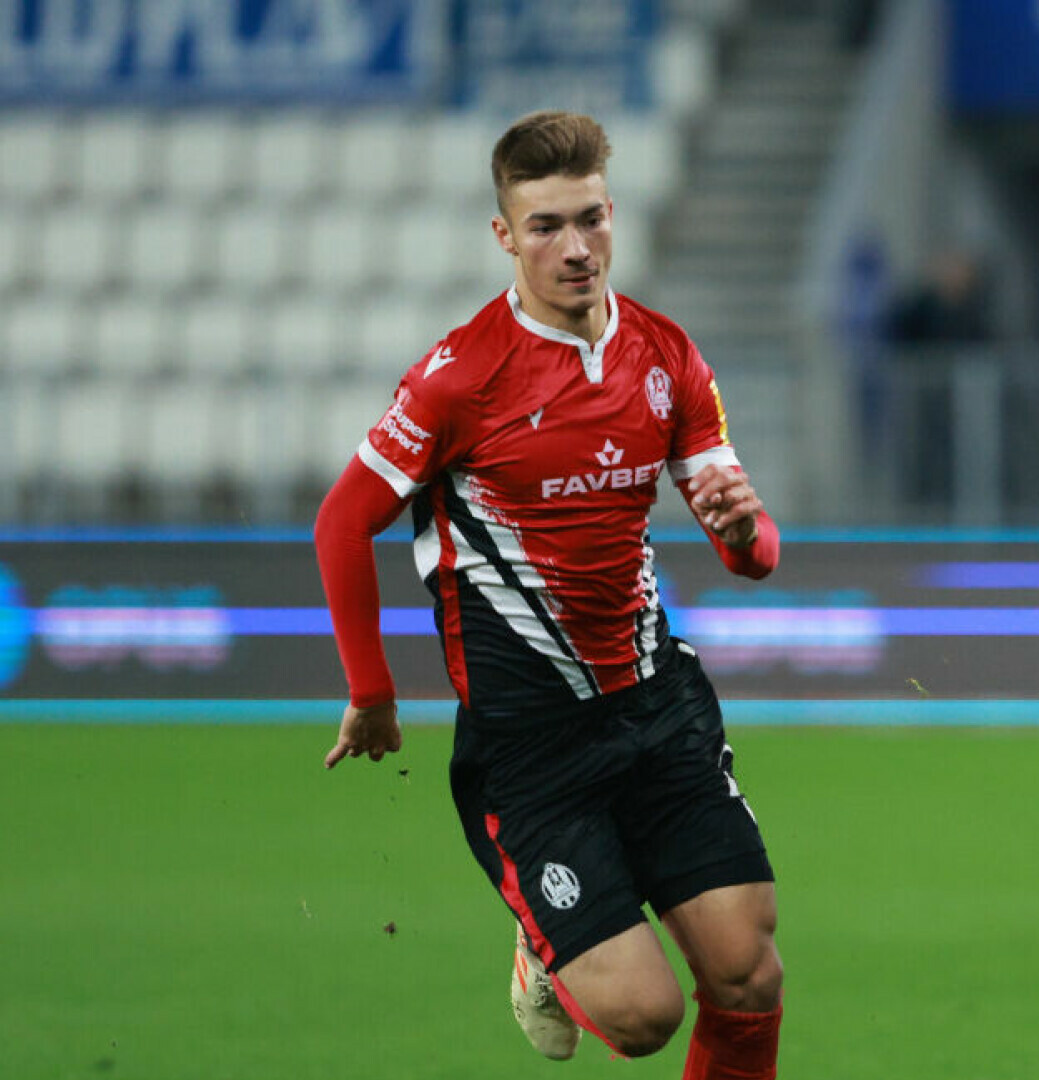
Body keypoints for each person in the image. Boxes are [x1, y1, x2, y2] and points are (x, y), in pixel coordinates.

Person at [314, 111, 785, 1076]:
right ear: (505, 235)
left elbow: (751, 555)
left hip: (660, 712)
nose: (576, 248)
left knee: (748, 978)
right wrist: (371, 691)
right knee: (645, 1019)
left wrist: (744, 532)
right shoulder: (459, 380)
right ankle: (545, 949)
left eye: (591, 219)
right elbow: (340, 522)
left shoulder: (668, 356)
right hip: (531, 751)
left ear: (613, 213)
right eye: (545, 227)